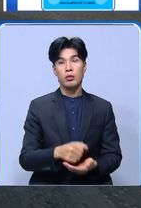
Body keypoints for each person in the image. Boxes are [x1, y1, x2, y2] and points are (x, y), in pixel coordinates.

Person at [19, 36, 122, 185]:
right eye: (61, 62)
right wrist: (56, 153)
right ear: (54, 70)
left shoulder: (103, 108)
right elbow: (26, 159)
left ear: (84, 66)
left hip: (92, 187)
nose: (68, 68)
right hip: (50, 188)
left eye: (75, 60)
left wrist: (94, 165)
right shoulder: (38, 107)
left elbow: (114, 155)